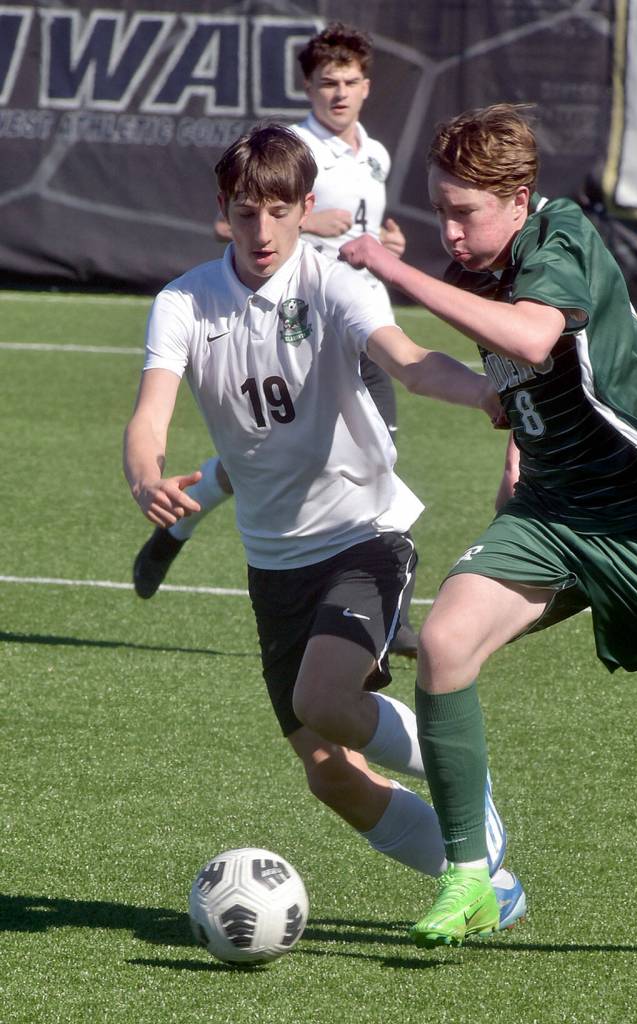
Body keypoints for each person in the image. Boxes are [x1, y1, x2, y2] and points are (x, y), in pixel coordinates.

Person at [339, 101, 637, 948]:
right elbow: (523, 386)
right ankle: (471, 876)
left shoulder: (561, 237)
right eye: (439, 208)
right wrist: (512, 445)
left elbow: (535, 337)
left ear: (519, 199)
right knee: (446, 644)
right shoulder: (479, 256)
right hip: (552, 515)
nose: (451, 229)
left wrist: (396, 273)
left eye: (465, 212)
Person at [123, 123, 526, 930]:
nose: (262, 231)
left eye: (280, 211)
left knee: (328, 695)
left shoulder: (336, 283)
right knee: (328, 774)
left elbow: (408, 360)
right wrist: (144, 475)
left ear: (309, 208)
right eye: (245, 213)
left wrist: (484, 394)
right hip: (273, 563)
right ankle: (496, 889)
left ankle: (462, 791)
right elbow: (150, 417)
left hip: (363, 532)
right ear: (223, 211)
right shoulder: (185, 301)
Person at [133, 23, 419, 656]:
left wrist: (386, 246)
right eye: (326, 84)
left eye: (349, 83)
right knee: (281, 457)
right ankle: (375, 618)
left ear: (367, 87)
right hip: (290, 326)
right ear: (308, 88)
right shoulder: (288, 146)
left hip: (352, 321)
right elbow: (229, 222)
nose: (338, 95)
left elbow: (360, 241)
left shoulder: (374, 153)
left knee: (343, 457)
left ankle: (182, 530)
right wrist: (307, 220)